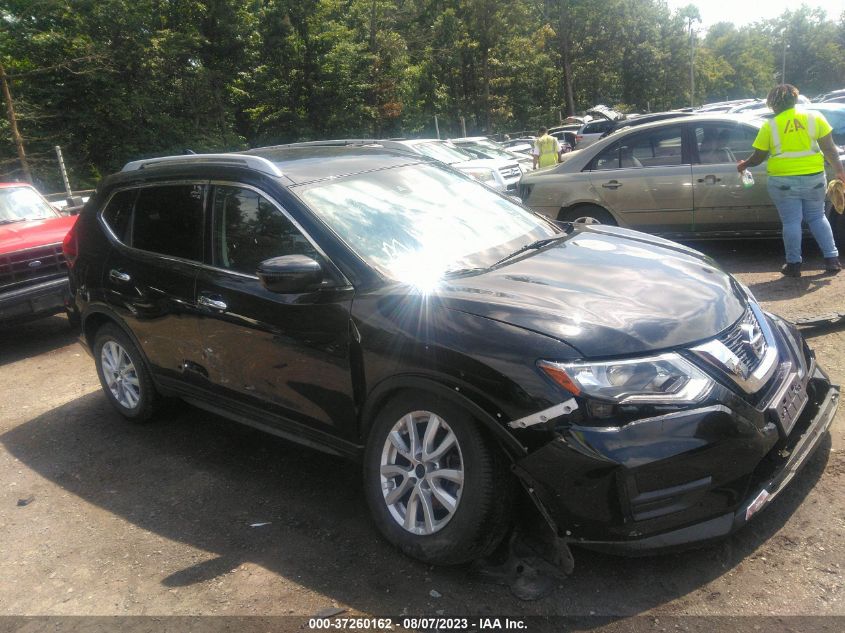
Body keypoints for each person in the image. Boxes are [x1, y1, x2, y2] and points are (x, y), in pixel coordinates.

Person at [737, 84, 845, 277]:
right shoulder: (815, 118)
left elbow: (758, 157)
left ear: (773, 104)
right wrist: (839, 171)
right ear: (795, 98)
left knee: (791, 222)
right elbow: (829, 148)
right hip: (814, 178)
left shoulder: (770, 125)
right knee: (817, 217)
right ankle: (832, 260)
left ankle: (794, 265)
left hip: (783, 181)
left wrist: (744, 165)